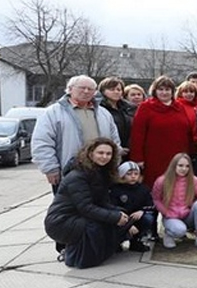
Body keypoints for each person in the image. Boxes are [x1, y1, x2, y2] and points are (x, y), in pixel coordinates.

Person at [45, 137, 129, 268]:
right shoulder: (77, 176)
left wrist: (119, 213)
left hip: (79, 216)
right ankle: (75, 257)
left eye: (108, 154)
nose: (104, 157)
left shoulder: (100, 173)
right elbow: (86, 208)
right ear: (90, 154)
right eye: (100, 153)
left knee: (122, 217)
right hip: (61, 222)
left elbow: (101, 202)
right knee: (96, 226)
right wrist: (114, 217)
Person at [130, 75, 197, 190]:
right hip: (154, 156)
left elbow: (187, 131)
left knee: (177, 187)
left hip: (177, 155)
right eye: (160, 89)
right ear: (155, 91)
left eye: (167, 89)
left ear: (172, 91)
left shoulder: (179, 107)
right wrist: (138, 158)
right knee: (157, 187)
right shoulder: (145, 107)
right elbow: (138, 134)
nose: (164, 92)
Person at [152, 152, 197, 250]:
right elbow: (156, 199)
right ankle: (168, 234)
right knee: (180, 230)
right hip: (171, 216)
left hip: (188, 215)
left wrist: (191, 205)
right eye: (180, 165)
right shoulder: (162, 181)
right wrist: (166, 212)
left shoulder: (194, 180)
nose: (184, 169)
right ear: (174, 165)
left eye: (187, 166)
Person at [110, 160, 155, 252]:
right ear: (122, 175)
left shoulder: (143, 189)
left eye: (136, 173)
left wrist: (142, 211)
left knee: (148, 218)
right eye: (129, 174)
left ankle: (136, 241)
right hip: (121, 218)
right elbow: (112, 207)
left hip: (136, 217)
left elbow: (150, 204)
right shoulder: (115, 190)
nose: (133, 176)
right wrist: (127, 224)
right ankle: (117, 242)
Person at [98, 77, 135, 157]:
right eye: (112, 89)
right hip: (108, 152)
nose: (116, 92)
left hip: (129, 150)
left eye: (119, 90)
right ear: (103, 91)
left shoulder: (128, 108)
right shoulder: (100, 110)